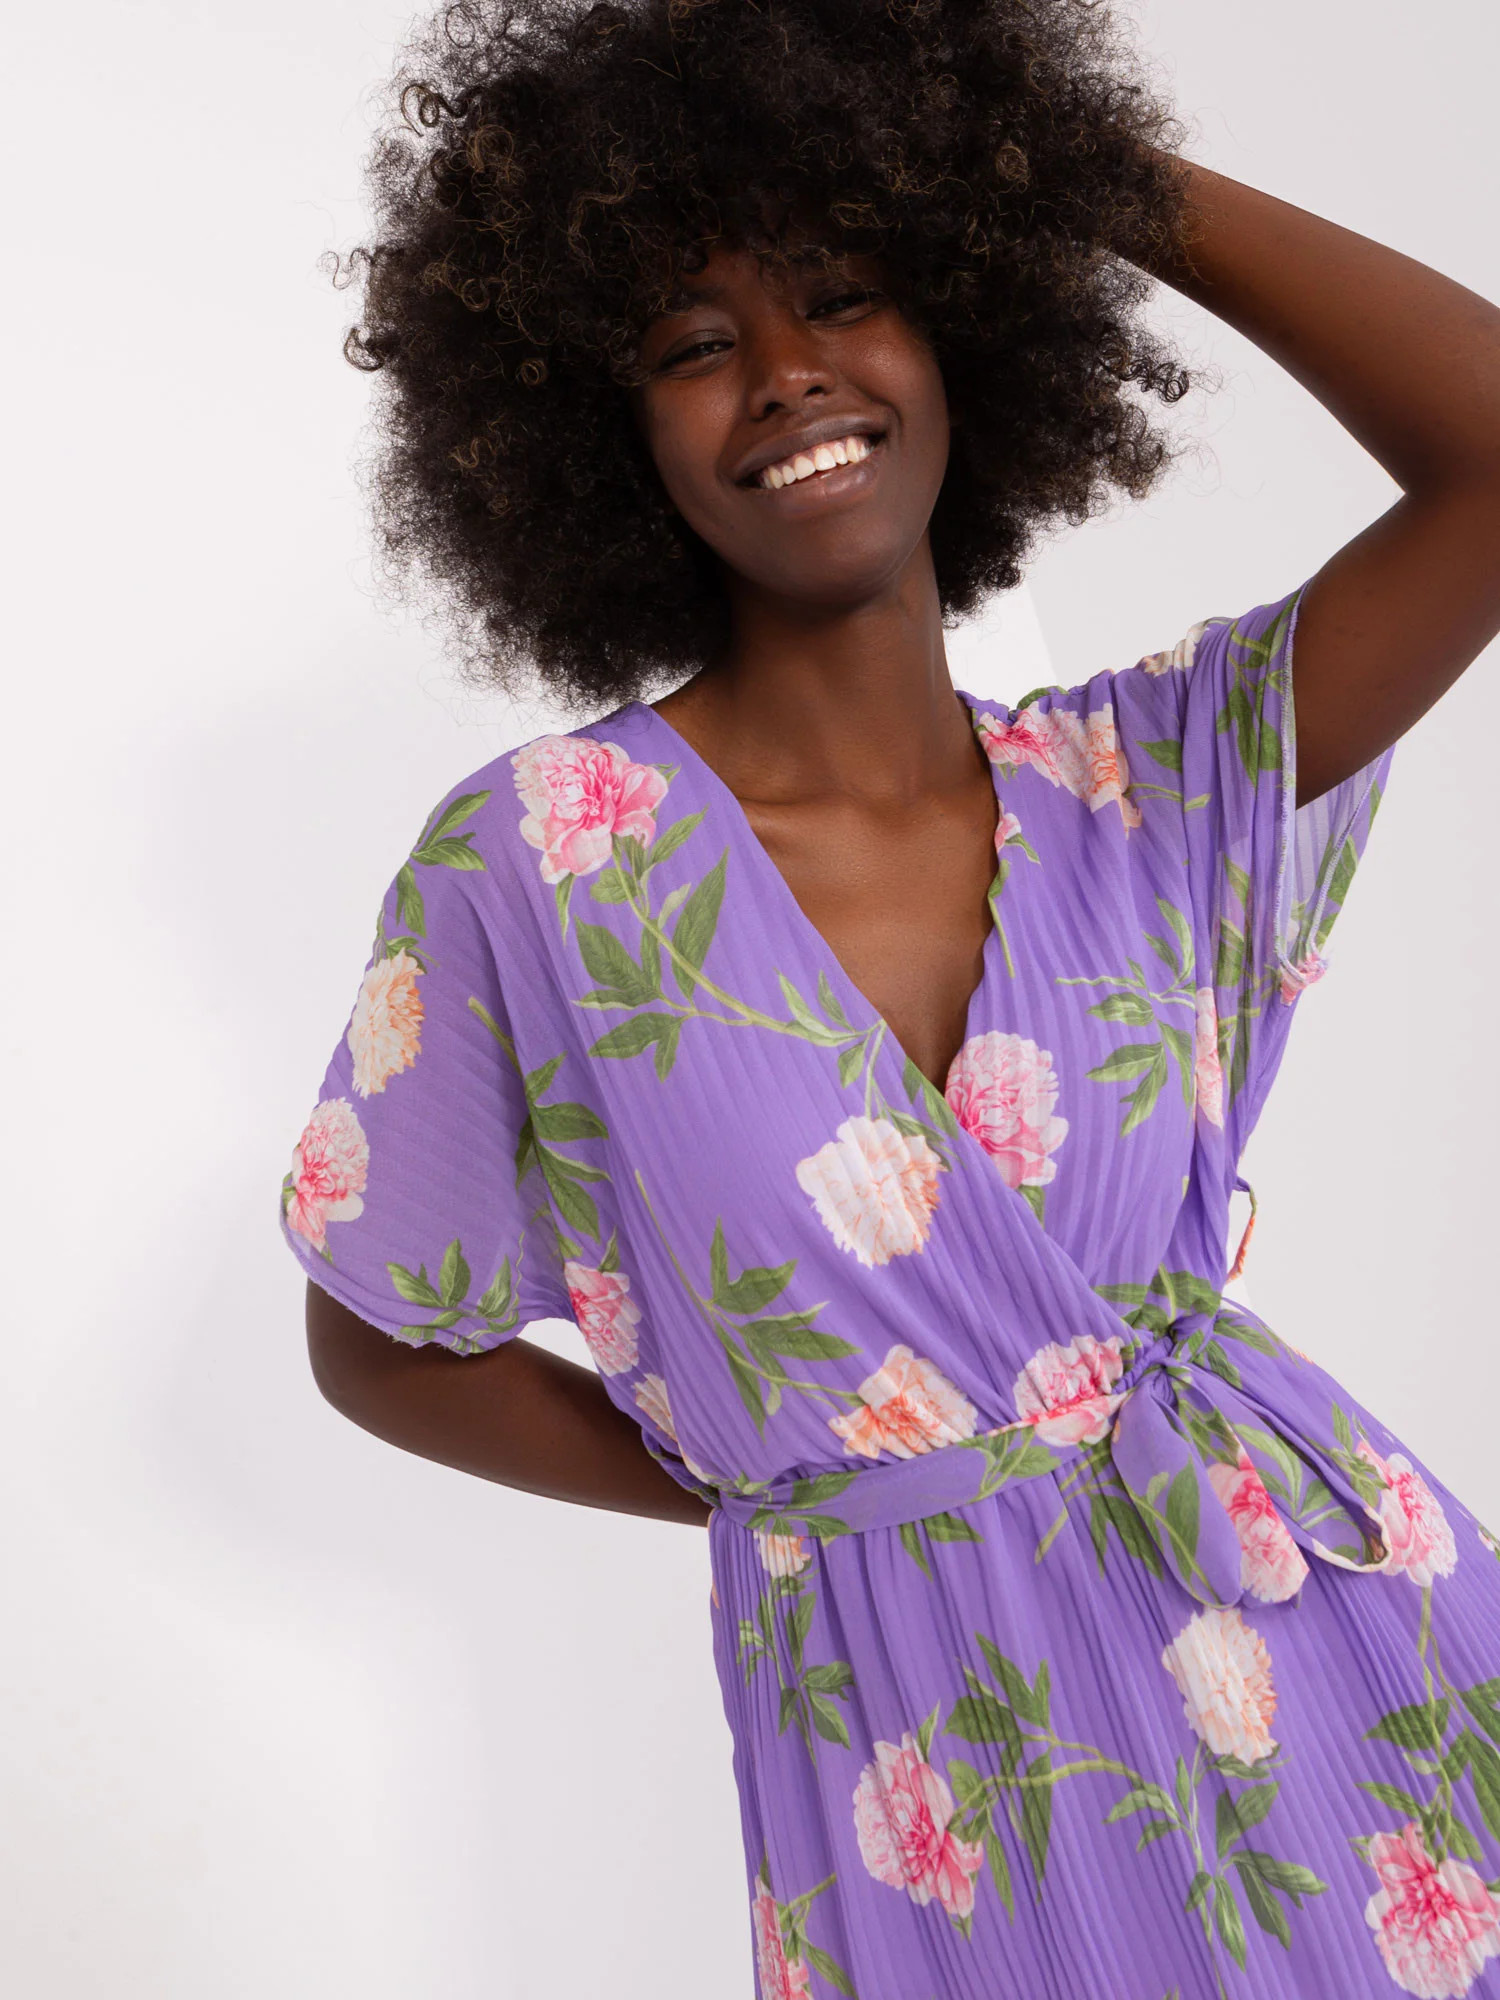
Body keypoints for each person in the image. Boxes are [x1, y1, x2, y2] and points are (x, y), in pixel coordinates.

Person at [278, 1, 1500, 1992]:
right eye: (693, 343)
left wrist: (1060, 162)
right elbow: (383, 1343)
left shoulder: (1155, 783)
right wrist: (801, 1490)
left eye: (847, 291)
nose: (787, 372)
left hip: (1349, 1691)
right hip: (929, 1777)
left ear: (968, 329)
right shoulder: (544, 865)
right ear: (602, 439)